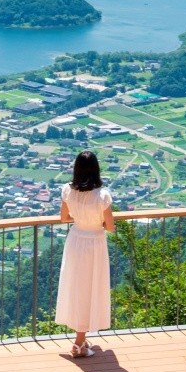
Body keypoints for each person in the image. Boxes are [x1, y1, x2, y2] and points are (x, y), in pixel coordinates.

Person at [53, 149, 115, 358]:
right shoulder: (102, 195)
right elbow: (111, 226)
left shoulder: (67, 191)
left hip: (76, 239)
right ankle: (79, 342)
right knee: (91, 287)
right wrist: (94, 220)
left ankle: (80, 337)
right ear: (96, 169)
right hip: (95, 242)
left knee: (75, 285)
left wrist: (80, 219)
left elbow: (63, 218)